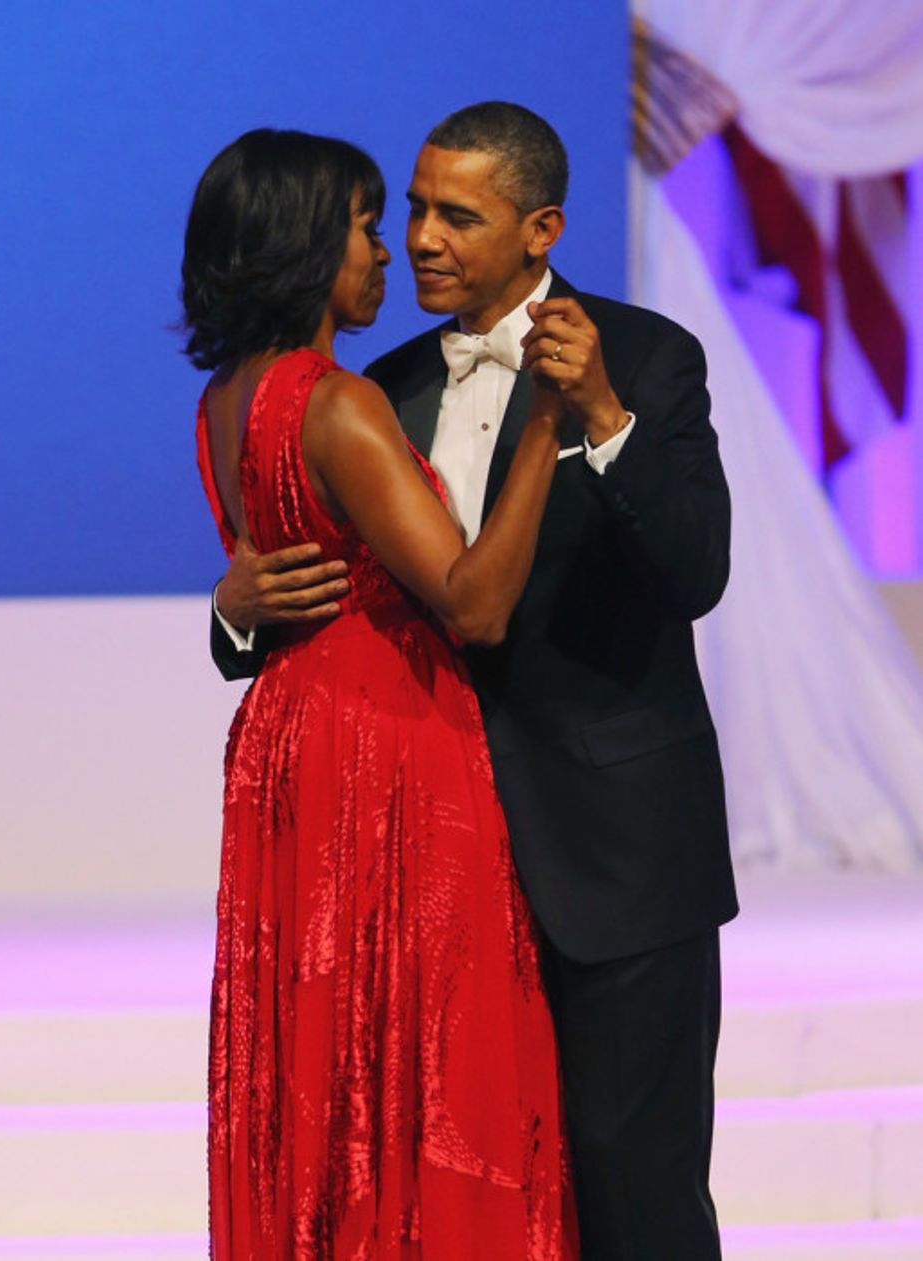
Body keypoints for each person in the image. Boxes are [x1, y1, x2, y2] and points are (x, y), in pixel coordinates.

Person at [212, 103, 739, 1260]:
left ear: (540, 228)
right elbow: (325, 594)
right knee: (469, 1194)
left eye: (457, 215)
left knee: (631, 1195)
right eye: (409, 209)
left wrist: (598, 416)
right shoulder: (376, 385)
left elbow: (696, 572)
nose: (420, 239)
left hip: (609, 859)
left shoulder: (648, 357)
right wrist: (231, 610)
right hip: (429, 869)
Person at [183, 127, 578, 1258]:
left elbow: (269, 578)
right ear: (309, 244)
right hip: (385, 743)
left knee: (323, 1051)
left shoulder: (225, 397)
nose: (389, 251)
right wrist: (546, 426)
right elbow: (471, 601)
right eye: (366, 226)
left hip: (289, 738)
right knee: (416, 1053)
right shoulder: (338, 401)